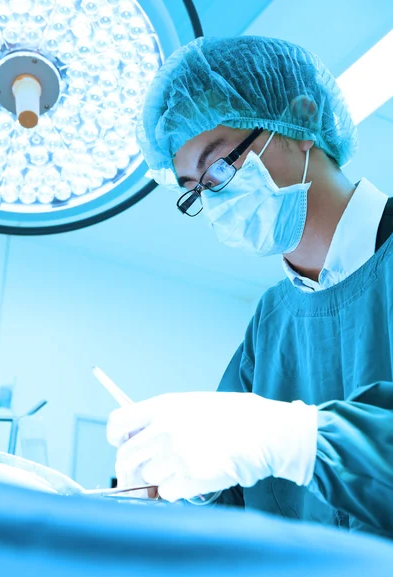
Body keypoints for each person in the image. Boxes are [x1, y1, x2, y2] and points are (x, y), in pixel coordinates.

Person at [107, 36, 393, 538]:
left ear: (300, 120)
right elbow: (235, 510)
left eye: (218, 166)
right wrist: (179, 490)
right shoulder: (272, 322)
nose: (213, 199)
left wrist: (294, 440)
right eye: (195, 190)